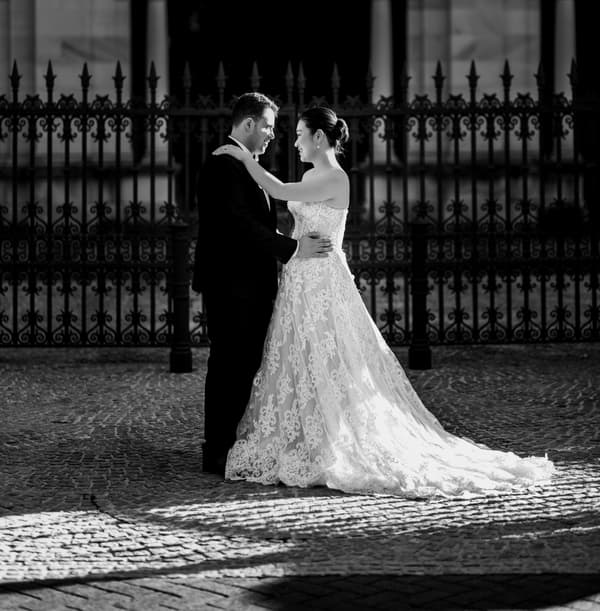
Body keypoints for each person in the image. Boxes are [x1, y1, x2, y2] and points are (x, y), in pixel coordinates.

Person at [213, 105, 555, 497]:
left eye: (301, 135)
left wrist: (242, 157)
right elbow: (294, 212)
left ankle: (336, 441)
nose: (294, 142)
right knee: (301, 356)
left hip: (323, 280)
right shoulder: (312, 174)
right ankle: (308, 435)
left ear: (319, 138)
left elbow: (281, 192)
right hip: (300, 278)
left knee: (333, 356)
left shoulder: (336, 178)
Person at [192, 92, 333, 476]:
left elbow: (260, 218)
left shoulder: (245, 164)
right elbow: (239, 225)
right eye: (269, 126)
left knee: (244, 364)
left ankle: (232, 441)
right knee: (229, 365)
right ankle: (217, 449)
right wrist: (292, 248)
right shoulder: (224, 165)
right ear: (249, 124)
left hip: (249, 286)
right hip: (231, 284)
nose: (273, 135)